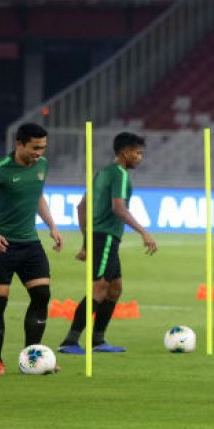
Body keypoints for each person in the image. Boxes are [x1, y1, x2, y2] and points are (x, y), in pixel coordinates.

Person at [0, 122, 64, 374]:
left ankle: (32, 358)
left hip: (30, 242)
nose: (39, 153)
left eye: (43, 148)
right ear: (19, 144)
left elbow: (38, 197)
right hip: (1, 244)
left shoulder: (42, 166)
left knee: (42, 295)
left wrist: (52, 226)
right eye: (35, 147)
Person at [58, 132, 158, 354]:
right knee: (100, 287)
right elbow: (119, 208)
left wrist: (86, 243)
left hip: (100, 238)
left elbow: (81, 207)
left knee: (115, 288)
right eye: (138, 153)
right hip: (105, 237)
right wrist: (144, 232)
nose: (140, 158)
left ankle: (98, 340)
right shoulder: (120, 175)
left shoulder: (101, 173)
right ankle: (70, 340)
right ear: (125, 152)